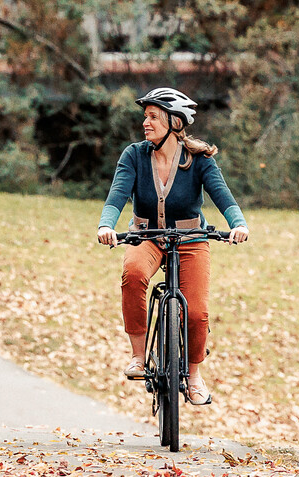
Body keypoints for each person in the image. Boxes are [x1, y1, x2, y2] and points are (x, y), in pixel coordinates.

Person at [96, 87, 248, 406]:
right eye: (145, 117)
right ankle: (139, 356)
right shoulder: (135, 155)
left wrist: (238, 224)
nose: (145, 123)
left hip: (191, 239)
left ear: (174, 122)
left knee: (196, 312)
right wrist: (106, 224)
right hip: (146, 235)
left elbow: (222, 195)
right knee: (133, 274)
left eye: (153, 117)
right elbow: (117, 194)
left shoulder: (200, 160)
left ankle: (193, 376)